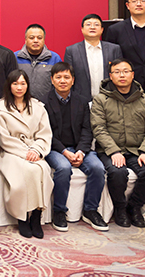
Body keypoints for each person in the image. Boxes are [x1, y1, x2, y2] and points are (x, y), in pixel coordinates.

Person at [91, 58, 145, 228]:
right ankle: (120, 208)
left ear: (132, 74)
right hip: (109, 151)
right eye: (117, 72)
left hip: (137, 150)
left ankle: (134, 207)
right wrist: (114, 151)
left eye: (125, 71)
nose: (121, 75)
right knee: (117, 172)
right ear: (110, 76)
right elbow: (98, 128)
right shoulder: (101, 99)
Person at [43, 62, 108, 232]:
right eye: (58, 77)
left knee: (97, 168)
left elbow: (87, 129)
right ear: (52, 80)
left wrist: (80, 151)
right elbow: (46, 133)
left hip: (80, 147)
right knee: (64, 168)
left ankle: (90, 210)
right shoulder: (44, 102)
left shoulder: (82, 101)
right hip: (56, 149)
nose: (62, 81)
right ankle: (59, 211)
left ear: (73, 80)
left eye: (66, 77)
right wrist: (65, 152)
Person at [0, 69, 53, 239]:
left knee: (43, 170)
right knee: (27, 171)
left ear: (27, 85)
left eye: (22, 83)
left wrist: (36, 150)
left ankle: (36, 215)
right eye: (15, 83)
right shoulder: (0, 107)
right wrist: (25, 152)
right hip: (9, 151)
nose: (19, 87)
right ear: (9, 85)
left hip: (35, 150)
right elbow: (3, 138)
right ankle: (23, 217)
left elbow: (45, 134)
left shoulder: (38, 106)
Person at [64, 14, 122, 101]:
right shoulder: (71, 51)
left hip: (109, 99)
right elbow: (68, 76)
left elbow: (119, 74)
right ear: (82, 29)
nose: (92, 27)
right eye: (88, 24)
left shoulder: (114, 49)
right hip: (81, 101)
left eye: (96, 24)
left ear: (102, 30)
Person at [15, 23, 62, 100]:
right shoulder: (15, 57)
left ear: (44, 40)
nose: (36, 41)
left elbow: (59, 82)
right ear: (25, 40)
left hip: (47, 103)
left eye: (39, 38)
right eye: (31, 38)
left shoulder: (54, 58)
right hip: (21, 102)